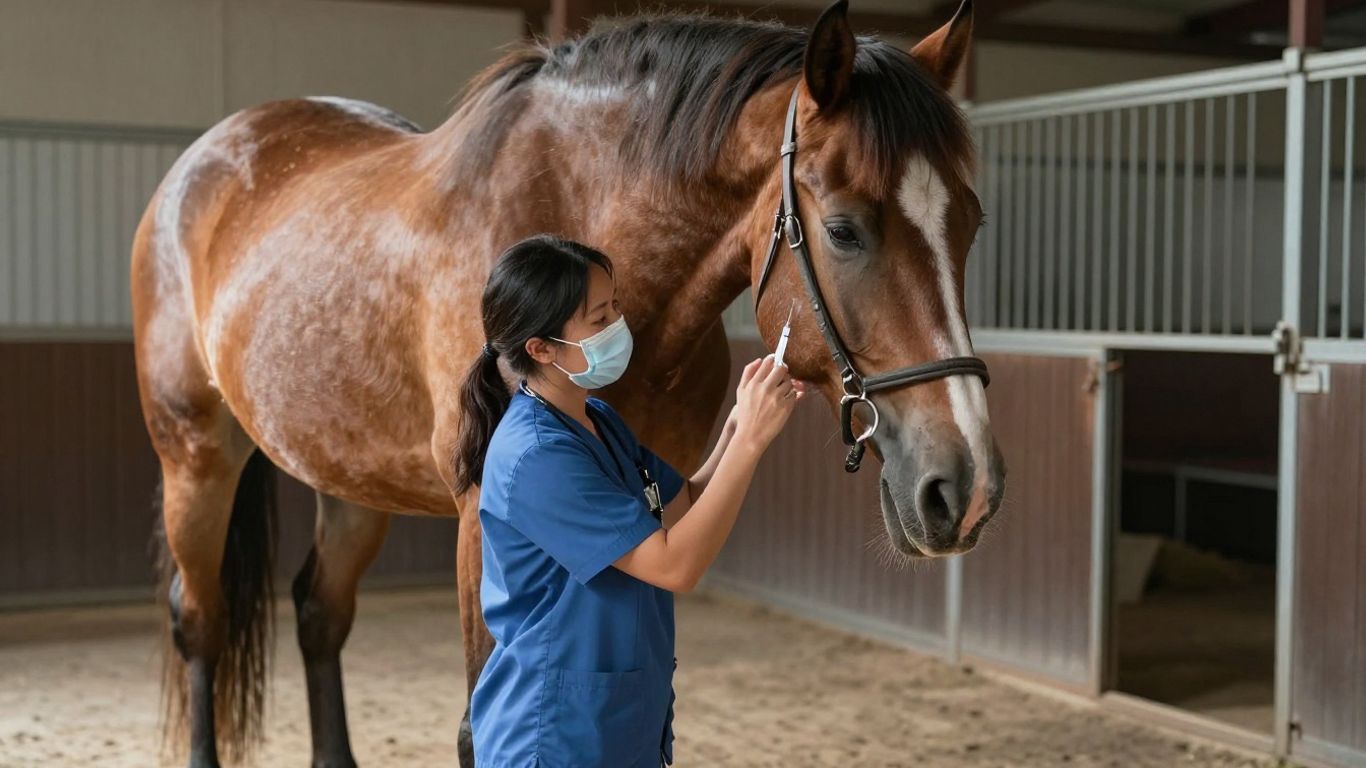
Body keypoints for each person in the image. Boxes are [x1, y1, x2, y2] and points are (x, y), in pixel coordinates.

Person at [454, 234, 805, 767]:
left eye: (615, 306)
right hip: (553, 737)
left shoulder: (598, 421)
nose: (617, 326)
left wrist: (735, 430)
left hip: (614, 725)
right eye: (598, 320)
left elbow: (683, 504)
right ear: (541, 349)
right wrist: (752, 442)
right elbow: (675, 565)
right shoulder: (537, 457)